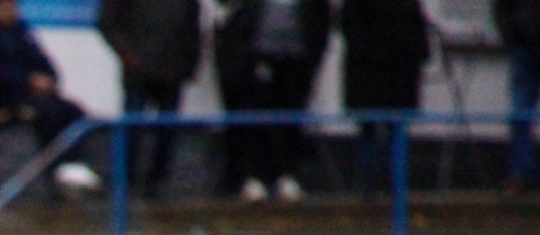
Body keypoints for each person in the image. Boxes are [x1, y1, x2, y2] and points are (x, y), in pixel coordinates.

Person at [0, 0, 104, 194]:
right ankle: (57, 168)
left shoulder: (21, 34)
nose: (11, 12)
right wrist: (27, 81)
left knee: (73, 110)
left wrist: (46, 81)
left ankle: (76, 163)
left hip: (29, 94)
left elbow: (45, 64)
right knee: (48, 113)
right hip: (1, 96)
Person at [217, 0, 331, 201]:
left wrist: (311, 59)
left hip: (296, 61)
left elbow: (320, 22)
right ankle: (254, 177)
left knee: (290, 119)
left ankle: (287, 175)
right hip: (258, 58)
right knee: (256, 119)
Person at [97, 0, 203, 198]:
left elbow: (193, 27)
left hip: (173, 71)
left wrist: (192, 63)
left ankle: (158, 181)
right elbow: (106, 22)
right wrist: (127, 54)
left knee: (168, 130)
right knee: (132, 127)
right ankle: (125, 181)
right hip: (139, 74)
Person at [342, 0, 430, 195]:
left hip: (380, 76)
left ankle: (382, 188)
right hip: (381, 76)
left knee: (383, 133)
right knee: (381, 133)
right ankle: (381, 188)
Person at [493, 0, 540, 191]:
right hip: (524, 47)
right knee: (520, 114)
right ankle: (521, 174)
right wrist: (511, 36)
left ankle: (521, 174)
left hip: (523, 43)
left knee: (520, 112)